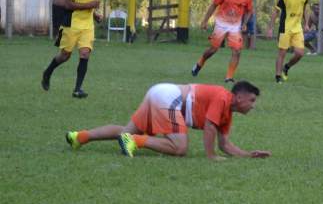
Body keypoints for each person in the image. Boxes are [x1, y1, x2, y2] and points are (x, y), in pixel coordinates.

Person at [64, 81, 271, 160]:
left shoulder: (228, 113)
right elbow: (209, 128)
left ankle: (80, 137)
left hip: (160, 91)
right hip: (169, 97)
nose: (253, 105)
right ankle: (135, 142)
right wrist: (211, 156)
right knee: (180, 148)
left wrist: (249, 155)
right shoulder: (223, 97)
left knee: (126, 130)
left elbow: (225, 144)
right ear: (239, 97)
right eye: (251, 100)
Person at [41, 0, 102, 98]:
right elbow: (68, 5)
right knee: (65, 56)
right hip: (71, 24)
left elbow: (89, 4)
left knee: (85, 54)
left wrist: (95, 15)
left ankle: (77, 89)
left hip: (87, 26)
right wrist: (90, 5)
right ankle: (48, 72)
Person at [192, 0, 253, 83]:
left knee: (237, 51)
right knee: (213, 49)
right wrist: (204, 21)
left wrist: (244, 24)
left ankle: (229, 77)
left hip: (235, 27)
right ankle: (200, 63)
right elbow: (213, 6)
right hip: (221, 25)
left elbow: (249, 11)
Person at [266, 0, 310, 83]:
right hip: (285, 28)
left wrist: (306, 24)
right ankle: (277, 76)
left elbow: (305, 9)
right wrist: (270, 28)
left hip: (297, 28)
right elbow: (276, 11)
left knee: (300, 53)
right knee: (282, 53)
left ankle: (287, 67)